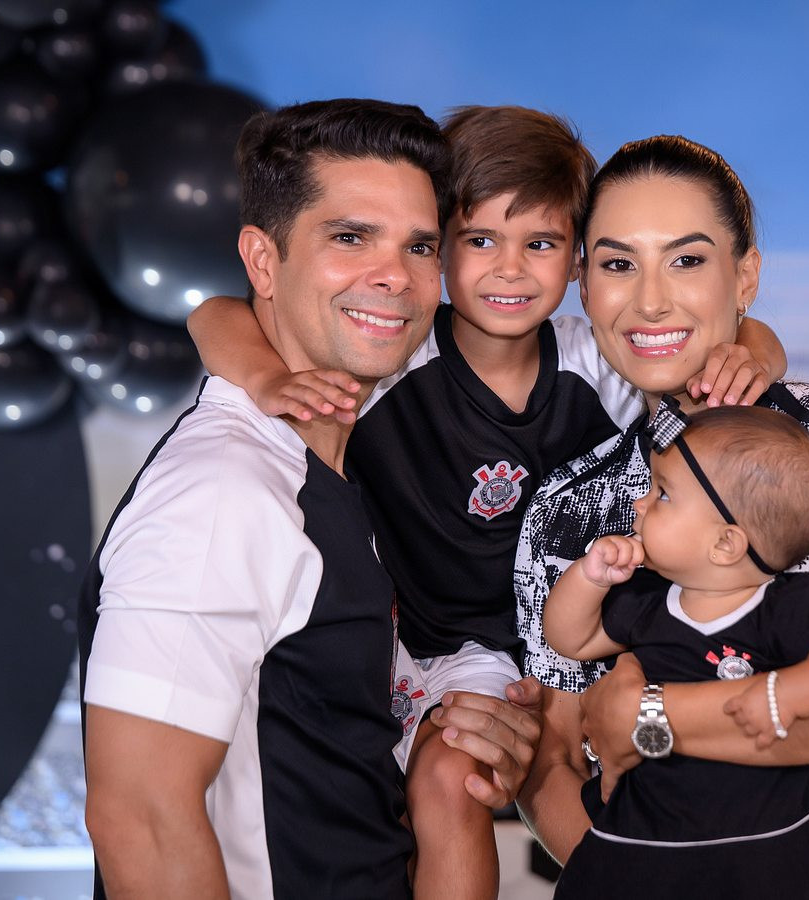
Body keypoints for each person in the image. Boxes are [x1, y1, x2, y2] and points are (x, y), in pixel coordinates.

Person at [186, 106, 788, 899]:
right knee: (414, 801)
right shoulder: (394, 356)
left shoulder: (596, 362)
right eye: (478, 241)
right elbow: (214, 315)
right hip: (411, 642)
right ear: (438, 246)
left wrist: (753, 355)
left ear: (577, 263)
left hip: (545, 649)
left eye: (539, 244)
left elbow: (740, 337)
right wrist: (269, 380)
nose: (510, 269)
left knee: (509, 782)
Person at [79, 99, 543, 900]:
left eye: (419, 246)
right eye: (350, 237)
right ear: (262, 262)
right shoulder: (223, 488)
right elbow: (140, 817)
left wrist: (453, 722)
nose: (394, 275)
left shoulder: (326, 474)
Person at [514, 134, 809, 900]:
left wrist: (655, 719)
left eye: (687, 260)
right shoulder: (568, 505)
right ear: (583, 286)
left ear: (745, 275)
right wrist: (628, 868)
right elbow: (551, 757)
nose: (650, 300)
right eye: (618, 265)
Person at [543, 403, 809, 897]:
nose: (639, 502)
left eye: (662, 493)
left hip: (766, 848)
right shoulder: (649, 601)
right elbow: (570, 639)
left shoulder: (780, 608)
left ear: (725, 544)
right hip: (649, 839)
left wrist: (786, 693)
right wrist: (590, 577)